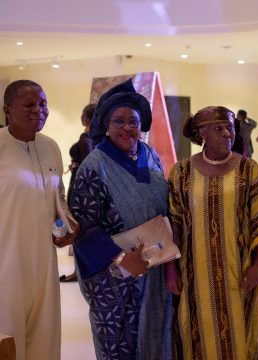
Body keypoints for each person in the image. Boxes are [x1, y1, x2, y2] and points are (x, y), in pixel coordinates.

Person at [166, 106, 258, 360]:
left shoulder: (249, 170)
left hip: (240, 274)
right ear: (202, 133)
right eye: (218, 128)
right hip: (195, 277)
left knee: (242, 335)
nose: (227, 134)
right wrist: (171, 268)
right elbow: (175, 222)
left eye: (229, 127)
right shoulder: (181, 173)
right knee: (198, 335)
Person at [70, 78, 172, 360]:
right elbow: (84, 226)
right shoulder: (94, 165)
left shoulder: (150, 155)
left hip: (154, 268)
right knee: (119, 346)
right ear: (106, 124)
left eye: (134, 121)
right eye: (119, 121)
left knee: (155, 338)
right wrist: (121, 259)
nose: (128, 127)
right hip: (113, 277)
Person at [0, 80, 79, 360]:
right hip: (6, 265)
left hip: (44, 264)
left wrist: (68, 224)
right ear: (7, 109)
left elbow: (58, 199)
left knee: (44, 340)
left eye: (43, 104)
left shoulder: (51, 147)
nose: (39, 110)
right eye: (29, 104)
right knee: (8, 341)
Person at [59, 103, 96, 283]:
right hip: (82, 183)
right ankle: (79, 271)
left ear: (86, 118)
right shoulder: (95, 137)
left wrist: (75, 166)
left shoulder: (86, 137)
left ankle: (79, 272)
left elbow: (87, 162)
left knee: (78, 226)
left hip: (80, 184)